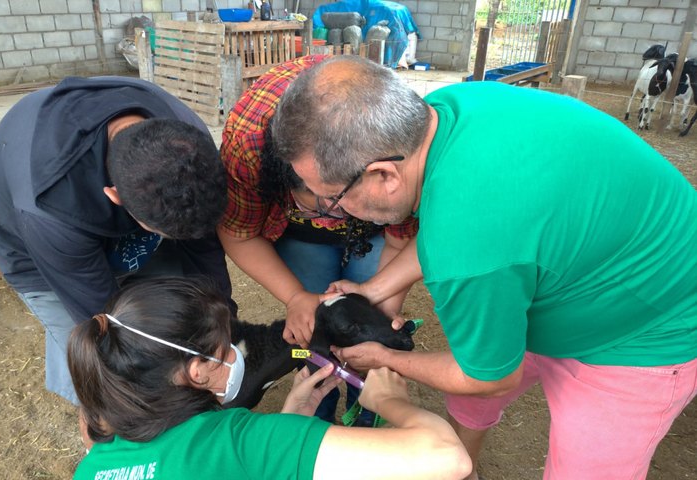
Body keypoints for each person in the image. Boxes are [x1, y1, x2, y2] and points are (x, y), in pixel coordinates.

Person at [271, 55, 697, 479]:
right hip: (571, 268)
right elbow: (467, 229)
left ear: (384, 174)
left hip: (647, 325)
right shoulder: (447, 111)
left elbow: (487, 375)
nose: (331, 209)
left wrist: (385, 358)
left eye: (333, 196)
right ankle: (464, 470)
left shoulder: (469, 246)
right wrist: (376, 289)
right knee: (472, 388)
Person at [0, 76, 235, 406]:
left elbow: (203, 244)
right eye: (163, 232)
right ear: (114, 195)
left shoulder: (186, 141)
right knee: (109, 372)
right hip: (39, 250)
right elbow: (107, 321)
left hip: (124, 218)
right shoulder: (49, 205)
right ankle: (110, 437)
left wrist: (224, 319)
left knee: (181, 320)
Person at [68, 276, 472, 480]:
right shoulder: (239, 438)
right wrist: (388, 401)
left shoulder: (94, 464)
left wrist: (289, 420)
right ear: (197, 370)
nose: (233, 353)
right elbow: (448, 457)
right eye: (226, 347)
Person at [218, 55, 418, 424]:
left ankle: (367, 408)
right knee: (313, 326)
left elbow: (402, 239)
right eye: (318, 204)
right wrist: (296, 296)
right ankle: (315, 418)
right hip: (301, 233)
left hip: (374, 221)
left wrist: (383, 308)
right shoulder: (249, 144)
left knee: (366, 322)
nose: (333, 217)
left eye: (339, 202)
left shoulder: (397, 146)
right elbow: (239, 233)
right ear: (288, 177)